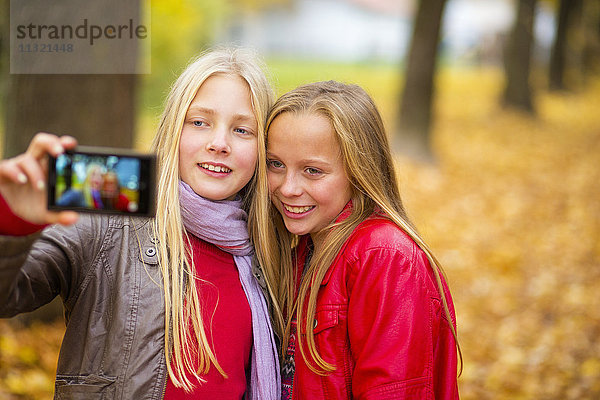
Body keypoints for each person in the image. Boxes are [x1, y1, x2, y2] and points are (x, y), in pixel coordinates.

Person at [0, 48, 280, 399]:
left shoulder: (270, 252)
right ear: (173, 129)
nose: (219, 143)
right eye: (199, 122)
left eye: (242, 130)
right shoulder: (108, 226)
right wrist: (12, 220)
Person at [256, 80, 461, 399]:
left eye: (312, 171)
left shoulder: (385, 257)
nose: (288, 188)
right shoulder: (307, 246)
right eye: (276, 164)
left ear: (358, 170)